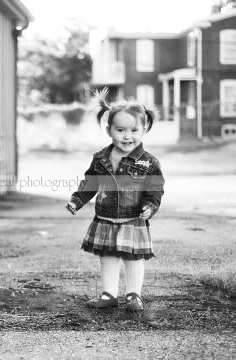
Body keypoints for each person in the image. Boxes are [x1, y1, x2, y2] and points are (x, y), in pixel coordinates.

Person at [66, 89, 165, 312]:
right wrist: (76, 200)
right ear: (109, 130)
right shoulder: (100, 158)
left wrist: (150, 206)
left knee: (133, 259)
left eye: (133, 130)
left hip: (133, 219)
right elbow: (90, 183)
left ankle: (134, 295)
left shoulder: (148, 162)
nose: (127, 136)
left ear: (144, 129)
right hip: (106, 217)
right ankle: (109, 294)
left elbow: (155, 189)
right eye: (120, 130)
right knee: (108, 257)